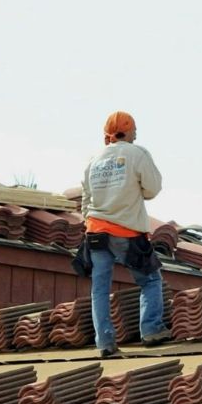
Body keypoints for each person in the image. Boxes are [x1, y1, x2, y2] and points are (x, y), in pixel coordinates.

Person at [81, 111, 170, 357]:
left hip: (96, 232)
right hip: (127, 232)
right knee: (150, 279)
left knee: (99, 289)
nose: (137, 134)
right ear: (129, 131)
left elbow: (85, 201)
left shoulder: (93, 160)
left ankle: (105, 343)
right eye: (135, 130)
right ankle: (151, 330)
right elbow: (152, 189)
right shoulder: (136, 153)